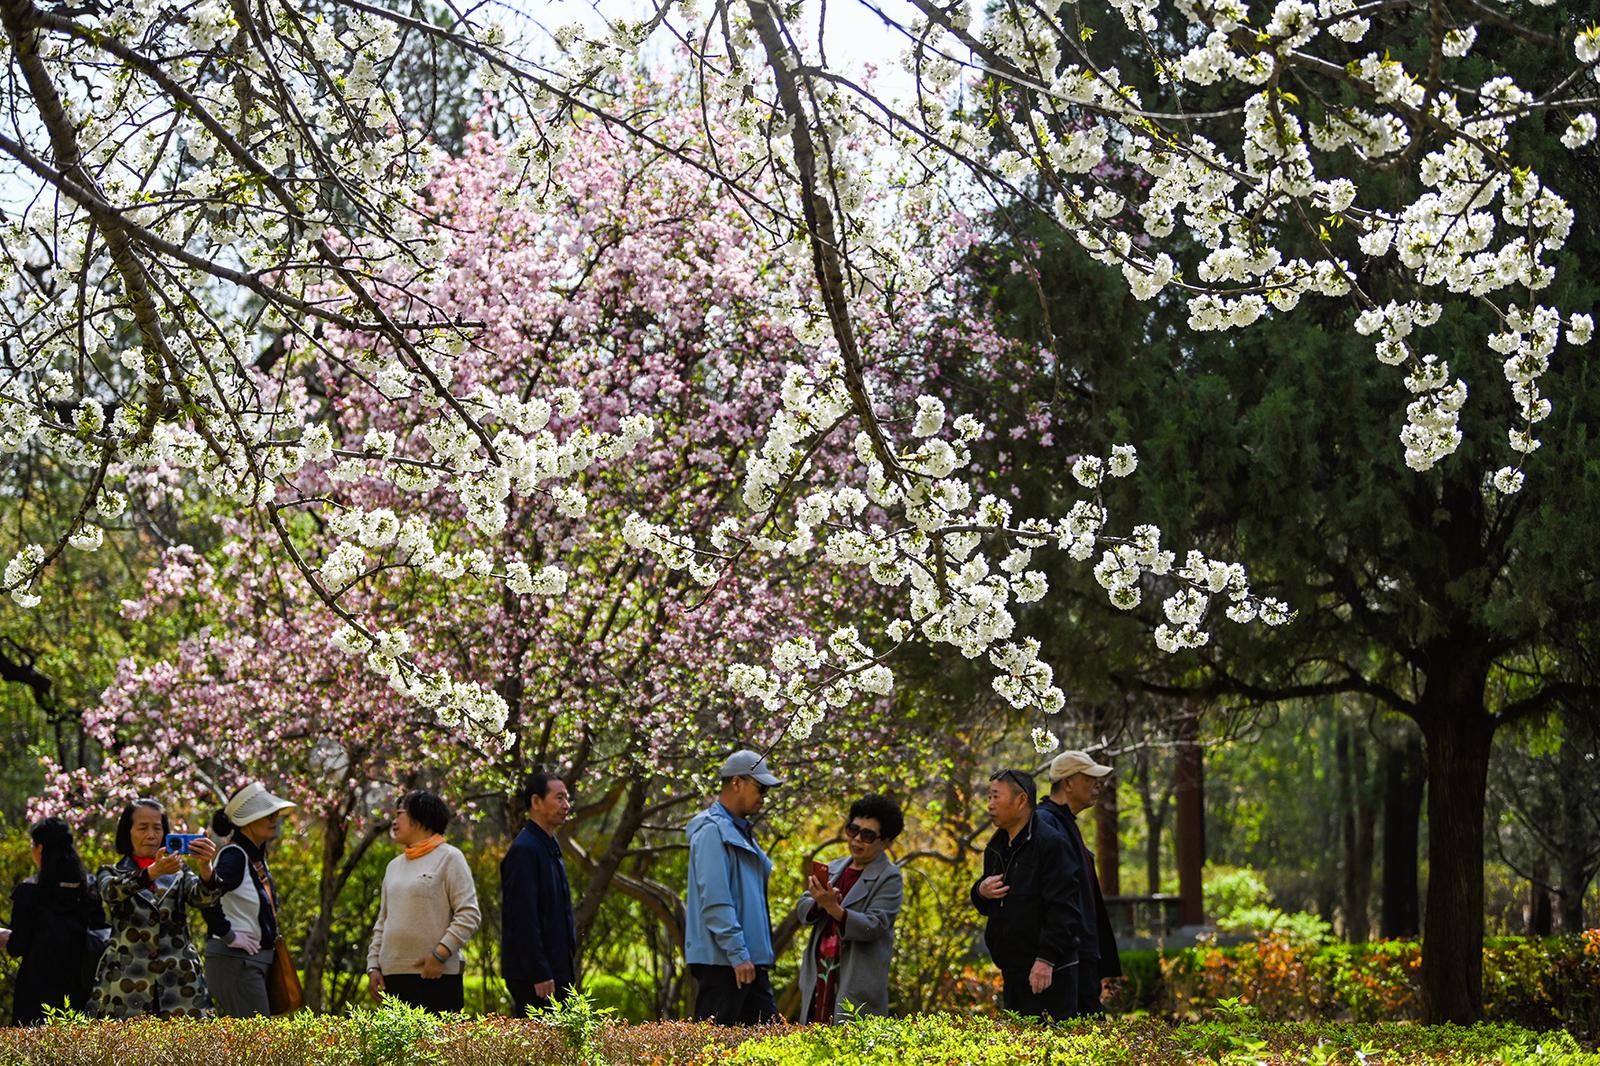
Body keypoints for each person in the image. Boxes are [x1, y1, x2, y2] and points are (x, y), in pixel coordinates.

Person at [89, 798, 223, 1018]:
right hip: (127, 981)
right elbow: (111, 892)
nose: (151, 835)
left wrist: (206, 867)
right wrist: (151, 873)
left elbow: (204, 899)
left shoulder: (179, 872)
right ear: (127, 832)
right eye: (142, 828)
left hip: (179, 983)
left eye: (157, 828)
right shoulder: (111, 872)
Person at [970, 768, 1085, 1021]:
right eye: (988, 797)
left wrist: (1046, 959)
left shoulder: (1051, 843)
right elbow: (987, 904)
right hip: (1013, 970)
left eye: (995, 797)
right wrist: (980, 890)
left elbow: (1063, 909)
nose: (989, 805)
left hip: (1049, 971)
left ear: (1021, 800)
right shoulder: (996, 846)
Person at [684, 749, 782, 1025]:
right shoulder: (711, 831)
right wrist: (738, 954)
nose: (764, 796)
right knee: (714, 1051)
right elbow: (715, 901)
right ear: (736, 782)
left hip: (746, 962)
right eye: (760, 787)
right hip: (727, 964)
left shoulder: (738, 831)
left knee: (768, 1047)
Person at [367, 790, 481, 1013]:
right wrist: (373, 966)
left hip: (435, 976)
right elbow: (383, 921)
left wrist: (439, 954)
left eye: (400, 813)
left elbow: (469, 914)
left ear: (421, 818)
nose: (394, 821)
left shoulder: (450, 857)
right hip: (393, 979)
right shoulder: (394, 865)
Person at [795, 794, 905, 1023]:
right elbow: (803, 907)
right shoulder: (834, 868)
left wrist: (833, 907)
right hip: (820, 975)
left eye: (867, 835)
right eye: (853, 830)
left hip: (856, 981)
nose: (856, 840)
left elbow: (874, 926)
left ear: (886, 841)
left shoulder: (889, 877)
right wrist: (818, 902)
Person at [1039, 750, 1123, 1015]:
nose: (1096, 785)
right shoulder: (1046, 823)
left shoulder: (1064, 823)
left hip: (1080, 954)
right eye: (1089, 778)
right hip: (1065, 959)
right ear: (1068, 783)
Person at [202, 782, 297, 1018]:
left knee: (253, 1043)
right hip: (236, 962)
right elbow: (206, 896)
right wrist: (228, 935)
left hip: (250, 962)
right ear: (247, 820)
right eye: (266, 814)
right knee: (255, 1043)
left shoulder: (253, 855)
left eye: (274, 814)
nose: (273, 819)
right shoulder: (234, 855)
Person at [2, 817, 107, 1024]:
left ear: (39, 848)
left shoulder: (29, 891)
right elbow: (100, 930)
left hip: (36, 992)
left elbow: (17, 946)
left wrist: (5, 937)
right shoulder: (88, 888)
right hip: (81, 987)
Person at [501, 771, 578, 1017]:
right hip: (537, 978)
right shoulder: (525, 850)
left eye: (567, 799)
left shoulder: (548, 845)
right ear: (536, 802)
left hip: (556, 970)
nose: (566, 805)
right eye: (559, 798)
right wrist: (539, 971)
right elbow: (523, 918)